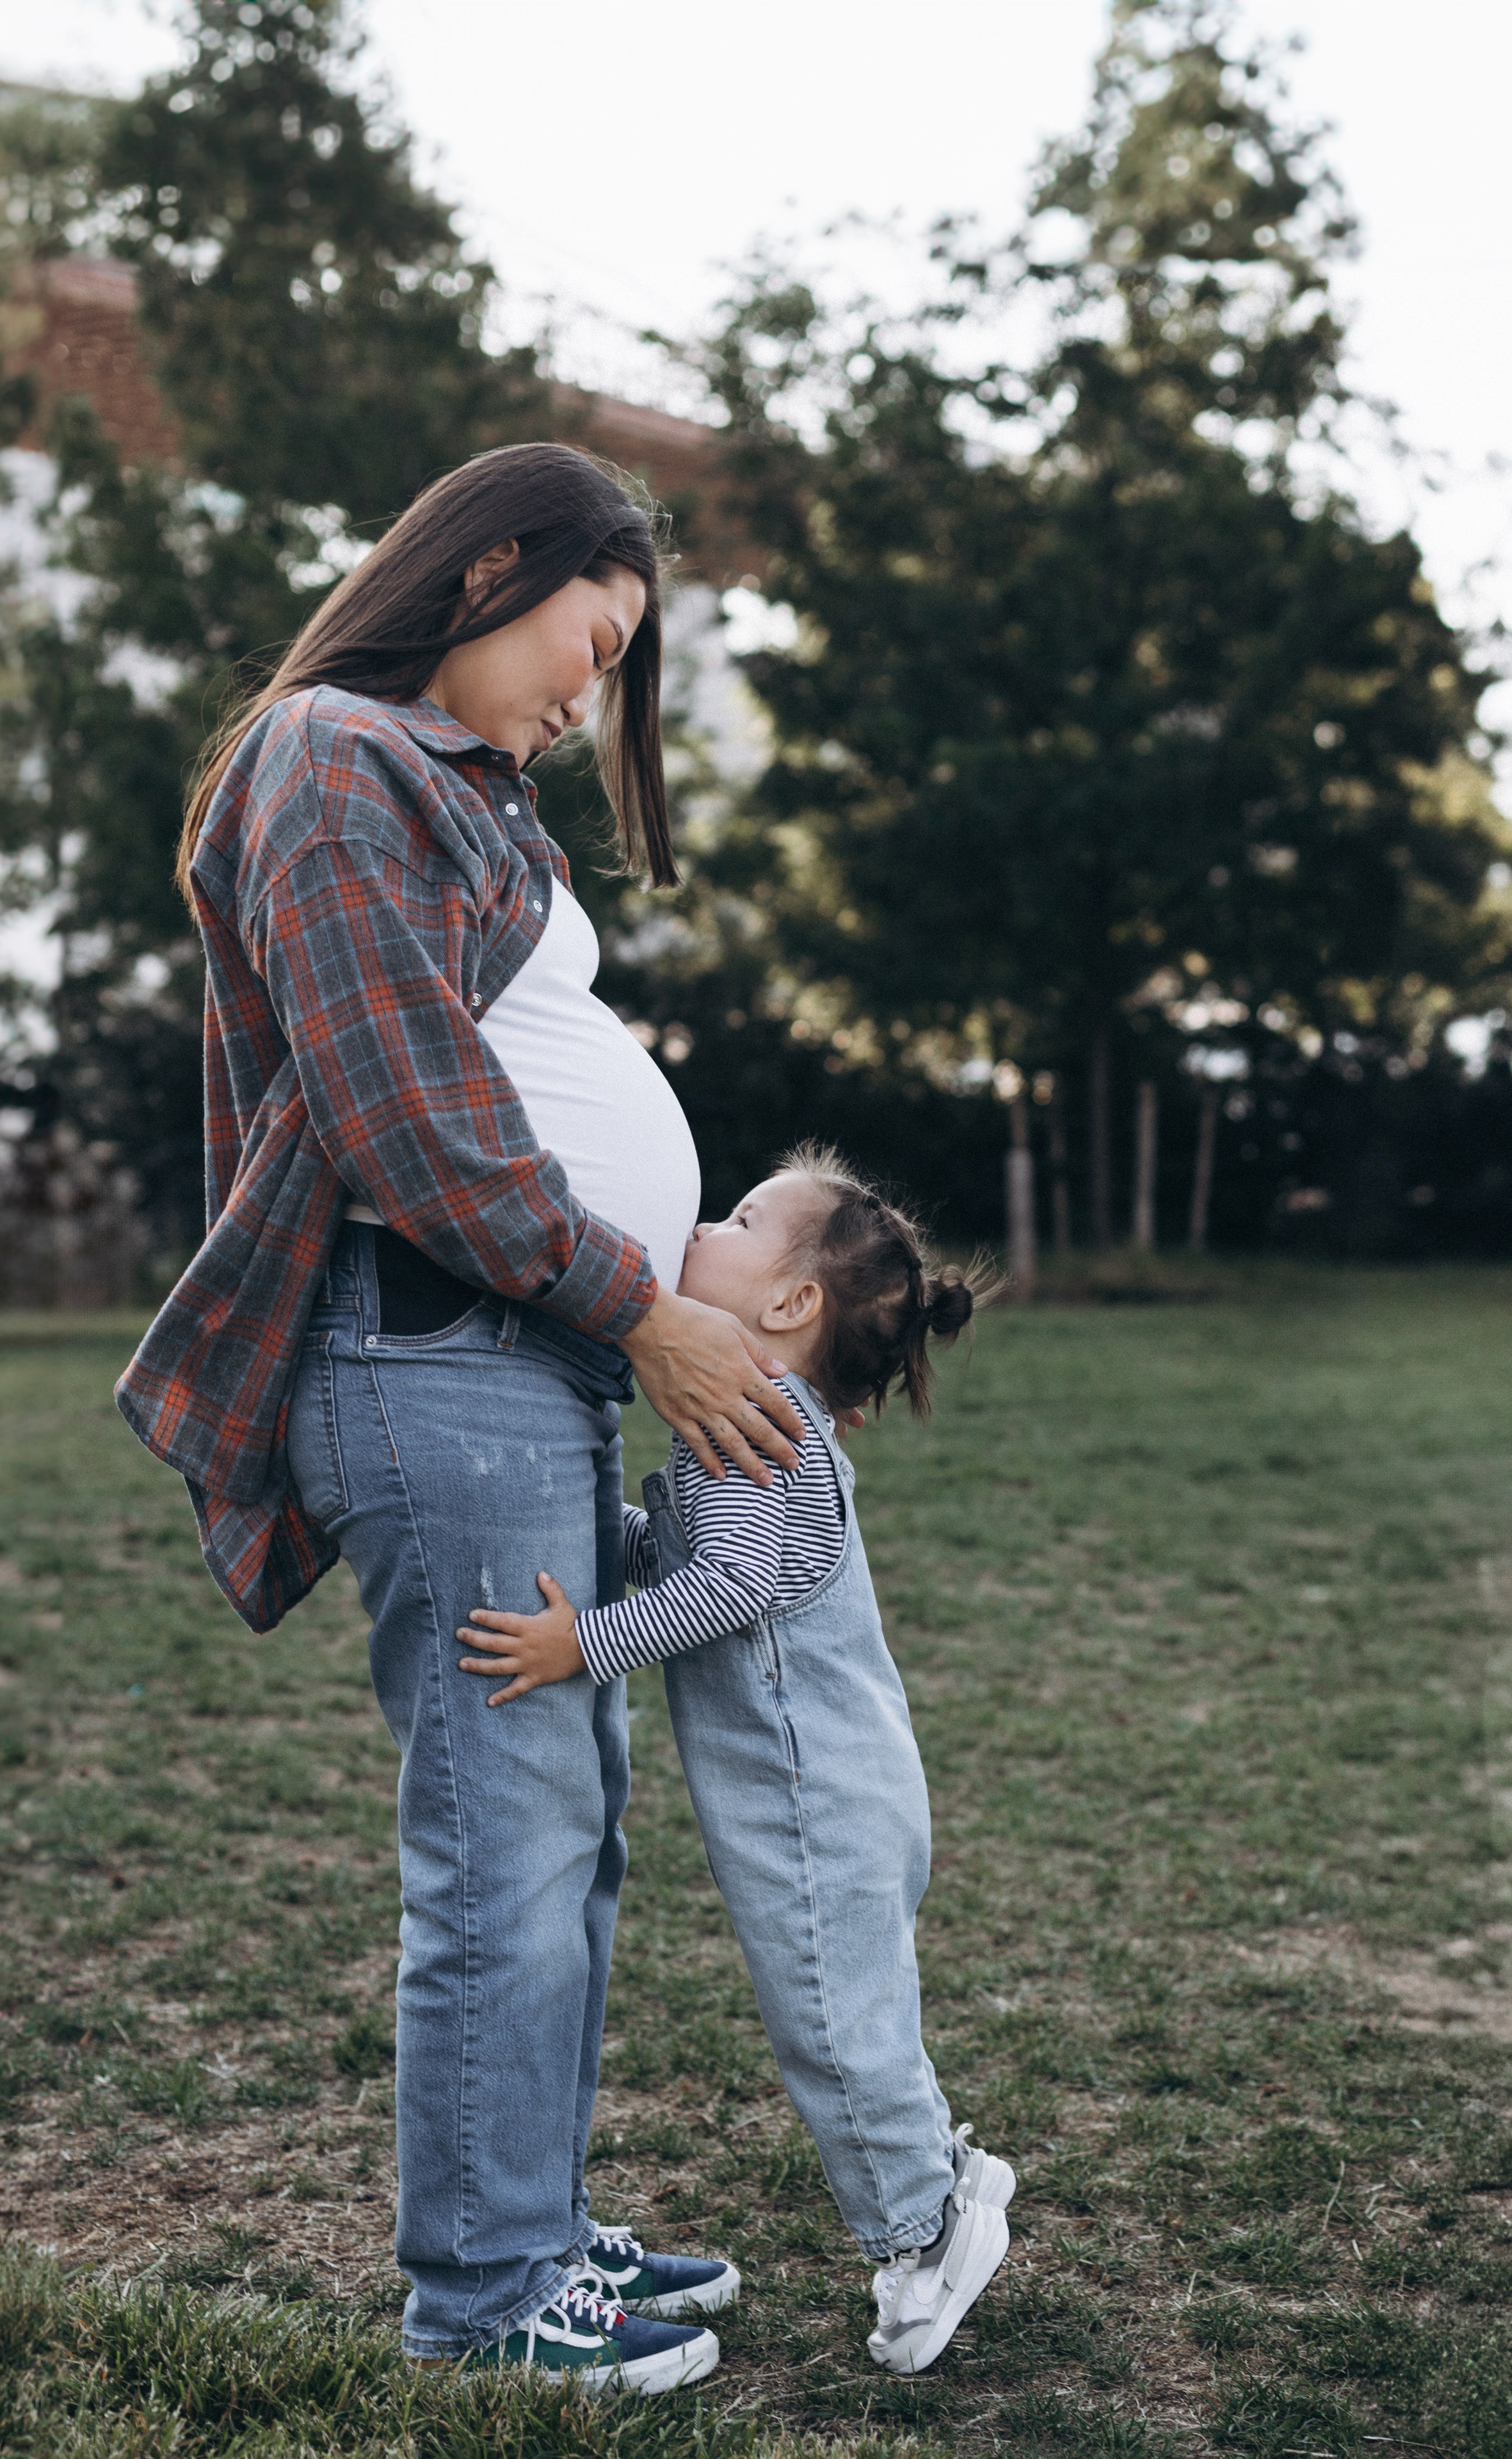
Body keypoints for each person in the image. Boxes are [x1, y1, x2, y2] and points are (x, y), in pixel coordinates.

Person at [115, 443, 807, 2393]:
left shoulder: (461, 796)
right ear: (493, 563)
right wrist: (643, 1313)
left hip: (510, 1367)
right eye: (587, 644)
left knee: (559, 1834)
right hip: (432, 1358)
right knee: (501, 1843)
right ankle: (486, 2299)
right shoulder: (331, 755)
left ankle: (534, 2232)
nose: (589, 699)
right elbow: (405, 1114)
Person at [456, 1144, 1016, 2376]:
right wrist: (590, 1532)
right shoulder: (758, 1426)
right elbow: (702, 1552)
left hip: (816, 1802)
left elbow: (735, 1585)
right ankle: (947, 2176)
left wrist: (579, 1645)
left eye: (738, 1216)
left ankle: (925, 2231)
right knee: (851, 2007)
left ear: (788, 1304)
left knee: (830, 2019)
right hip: (827, 1789)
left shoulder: (760, 1428)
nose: (702, 1224)